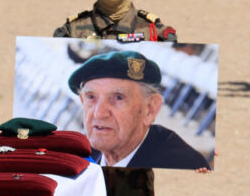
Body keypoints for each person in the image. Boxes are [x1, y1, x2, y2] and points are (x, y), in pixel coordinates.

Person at [53, 0, 177, 196]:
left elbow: (164, 101)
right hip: (82, 161)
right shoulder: (71, 30)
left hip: (132, 166)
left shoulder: (155, 32)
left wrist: (199, 156)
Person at [69, 50, 210, 170]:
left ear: (150, 110)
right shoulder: (77, 154)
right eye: (91, 97)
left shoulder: (182, 166)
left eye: (118, 98)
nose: (99, 113)